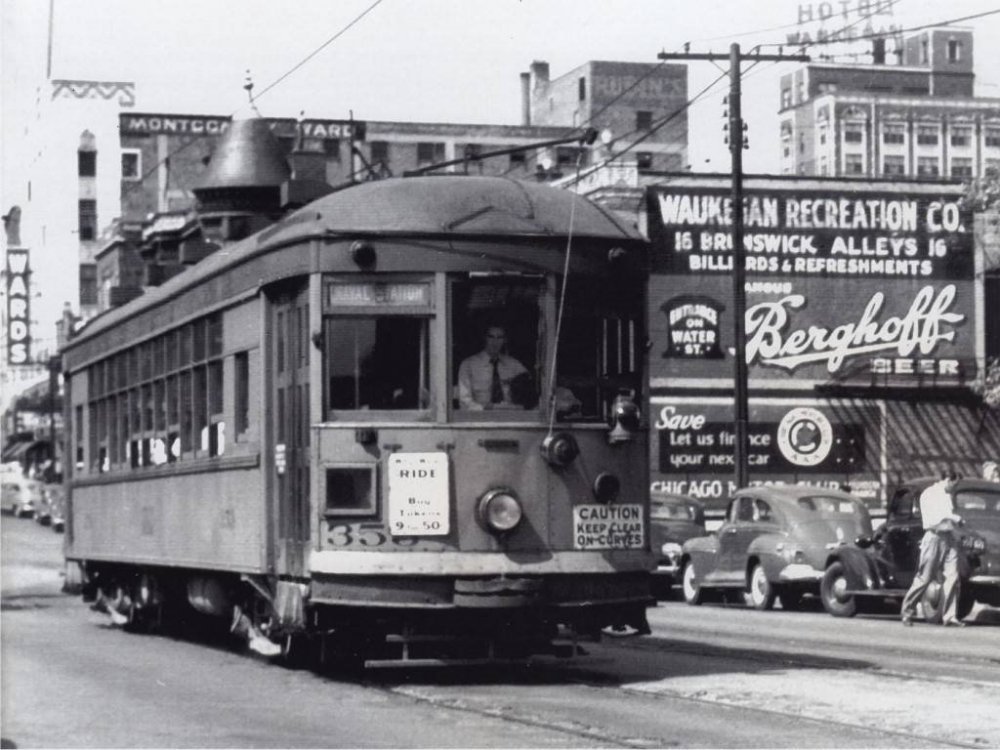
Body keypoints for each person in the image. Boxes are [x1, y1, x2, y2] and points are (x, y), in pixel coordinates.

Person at [900, 472, 965, 627]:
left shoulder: (947, 496)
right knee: (925, 577)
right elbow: (936, 519)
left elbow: (948, 518)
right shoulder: (929, 494)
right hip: (934, 536)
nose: (954, 488)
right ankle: (907, 611)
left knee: (952, 576)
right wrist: (955, 518)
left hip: (949, 536)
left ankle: (950, 616)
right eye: (954, 485)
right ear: (948, 480)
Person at [457, 324, 528, 410]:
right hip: (480, 419)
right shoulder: (468, 365)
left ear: (505, 340)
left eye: (499, 337)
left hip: (510, 417)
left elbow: (529, 393)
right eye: (491, 337)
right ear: (485, 338)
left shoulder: (514, 365)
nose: (495, 342)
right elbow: (464, 402)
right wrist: (484, 408)